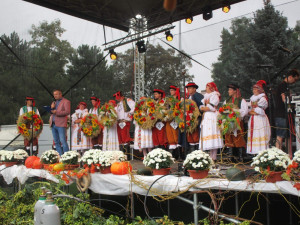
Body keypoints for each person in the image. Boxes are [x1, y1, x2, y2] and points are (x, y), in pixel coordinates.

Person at [274, 69, 300, 149]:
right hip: (281, 114)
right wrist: (292, 104)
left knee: (288, 136)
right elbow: (284, 99)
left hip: (286, 114)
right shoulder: (282, 86)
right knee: (280, 136)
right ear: (291, 77)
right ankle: (278, 154)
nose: (294, 82)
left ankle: (289, 155)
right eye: (295, 79)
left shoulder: (286, 86)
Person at [223, 84, 248, 162]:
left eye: (230, 90)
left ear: (235, 91)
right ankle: (230, 156)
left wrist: (237, 115)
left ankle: (240, 157)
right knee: (229, 137)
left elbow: (245, 111)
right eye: (229, 90)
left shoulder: (241, 100)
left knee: (239, 137)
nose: (228, 91)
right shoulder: (226, 101)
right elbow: (223, 110)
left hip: (238, 122)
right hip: (229, 121)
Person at [199, 82, 223, 161]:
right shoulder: (205, 96)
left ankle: (214, 156)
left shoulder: (214, 95)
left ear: (211, 88)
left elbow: (211, 108)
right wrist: (204, 108)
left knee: (212, 133)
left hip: (212, 116)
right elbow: (201, 107)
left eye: (207, 87)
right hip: (206, 116)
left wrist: (204, 108)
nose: (206, 89)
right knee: (207, 133)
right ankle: (210, 155)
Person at [247, 80, 271, 155]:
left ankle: (261, 154)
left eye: (255, 89)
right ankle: (254, 154)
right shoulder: (252, 99)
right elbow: (250, 111)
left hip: (260, 120)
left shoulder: (262, 99)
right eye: (253, 89)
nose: (253, 90)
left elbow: (258, 111)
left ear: (259, 90)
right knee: (254, 135)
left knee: (260, 134)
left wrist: (252, 111)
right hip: (253, 119)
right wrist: (252, 111)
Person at [50, 89, 70, 155]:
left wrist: (57, 112)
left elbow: (67, 112)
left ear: (60, 94)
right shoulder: (54, 102)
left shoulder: (66, 101)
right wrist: (51, 108)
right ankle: (60, 156)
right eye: (54, 95)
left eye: (56, 94)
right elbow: (53, 112)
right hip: (53, 124)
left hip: (61, 124)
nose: (54, 96)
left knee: (63, 141)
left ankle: (67, 156)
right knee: (56, 142)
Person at [185, 82, 204, 153]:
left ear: (194, 89)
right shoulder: (188, 97)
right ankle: (192, 153)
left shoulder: (197, 96)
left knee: (196, 136)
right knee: (190, 137)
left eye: (190, 88)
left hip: (196, 119)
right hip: (189, 119)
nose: (188, 90)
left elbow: (202, 106)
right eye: (187, 88)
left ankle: (197, 153)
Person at [166, 85, 180, 159]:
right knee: (170, 136)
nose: (170, 92)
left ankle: (179, 155)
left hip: (177, 119)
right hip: (169, 119)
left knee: (176, 136)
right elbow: (166, 108)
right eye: (170, 90)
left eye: (172, 90)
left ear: (176, 91)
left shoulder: (179, 99)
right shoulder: (168, 100)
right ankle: (172, 155)